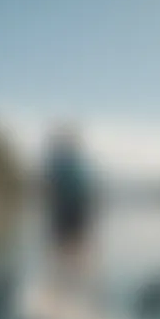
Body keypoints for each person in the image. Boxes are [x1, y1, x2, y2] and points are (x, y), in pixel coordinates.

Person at [43, 125, 96, 298]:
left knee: (71, 251)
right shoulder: (66, 162)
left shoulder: (68, 162)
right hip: (69, 210)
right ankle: (64, 291)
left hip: (72, 210)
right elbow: (52, 188)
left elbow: (52, 188)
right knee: (67, 251)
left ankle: (71, 291)